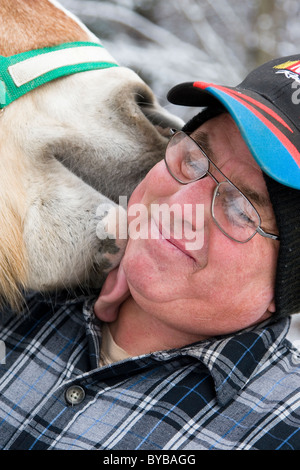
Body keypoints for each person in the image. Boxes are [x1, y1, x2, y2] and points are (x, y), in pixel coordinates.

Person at [0, 55, 299, 451]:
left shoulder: (283, 433)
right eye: (193, 159)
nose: (178, 205)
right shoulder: (19, 274)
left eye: (241, 208)